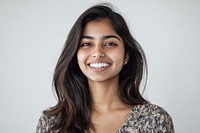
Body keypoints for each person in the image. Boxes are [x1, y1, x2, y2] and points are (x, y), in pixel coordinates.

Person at [36, 3, 174, 133]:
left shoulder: (154, 120)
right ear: (75, 56)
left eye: (110, 44)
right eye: (86, 44)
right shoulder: (52, 122)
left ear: (126, 55)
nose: (97, 53)